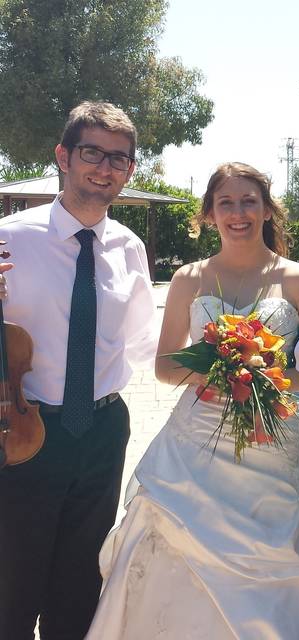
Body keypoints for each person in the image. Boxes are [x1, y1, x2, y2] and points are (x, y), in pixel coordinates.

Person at [85, 162, 299, 639]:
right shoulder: (189, 279)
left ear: (268, 210)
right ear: (209, 214)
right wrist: (227, 368)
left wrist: (265, 375)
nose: (238, 213)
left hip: (272, 454)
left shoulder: (297, 279)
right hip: (194, 454)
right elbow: (166, 367)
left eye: (249, 201)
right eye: (226, 203)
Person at [0, 101, 155, 640]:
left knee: (80, 583)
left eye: (120, 159)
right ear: (63, 156)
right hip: (25, 432)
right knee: (13, 585)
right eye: (92, 152)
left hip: (103, 431)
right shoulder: (8, 238)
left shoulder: (130, 248)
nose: (105, 167)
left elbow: (139, 342)